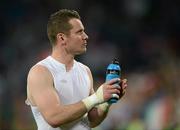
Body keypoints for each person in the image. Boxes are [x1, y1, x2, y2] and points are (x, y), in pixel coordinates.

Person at [26, 9, 127, 130]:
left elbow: (92, 120)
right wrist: (96, 98)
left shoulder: (85, 71)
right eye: (79, 32)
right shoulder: (41, 72)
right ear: (62, 38)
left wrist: (106, 101)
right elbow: (54, 117)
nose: (86, 36)